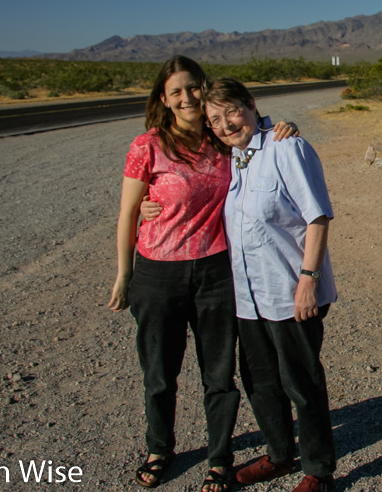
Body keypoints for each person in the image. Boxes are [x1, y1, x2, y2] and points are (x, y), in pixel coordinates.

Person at [108, 56, 296, 492]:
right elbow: (127, 212)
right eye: (176, 91)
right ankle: (159, 448)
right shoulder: (147, 146)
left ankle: (219, 456)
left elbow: (256, 133)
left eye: (193, 88)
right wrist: (124, 274)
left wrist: (284, 126)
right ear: (163, 99)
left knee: (218, 374)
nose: (188, 97)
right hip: (157, 274)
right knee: (158, 370)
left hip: (216, 271)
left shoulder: (221, 139)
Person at [204, 78, 339, 492]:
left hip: (289, 291)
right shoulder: (231, 159)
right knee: (260, 381)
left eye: (232, 111)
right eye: (214, 119)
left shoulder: (286, 148)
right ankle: (280, 454)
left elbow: (317, 217)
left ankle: (318, 471)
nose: (226, 124)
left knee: (301, 382)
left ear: (251, 105)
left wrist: (308, 281)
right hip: (249, 297)